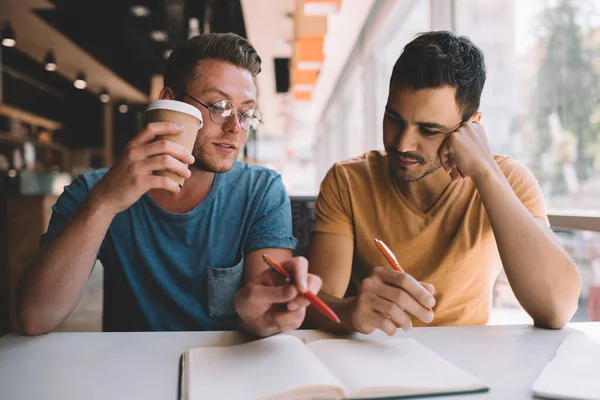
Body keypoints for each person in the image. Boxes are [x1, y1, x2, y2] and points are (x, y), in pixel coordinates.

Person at [16, 33, 321, 337]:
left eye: (246, 113)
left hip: (228, 370)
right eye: (220, 106)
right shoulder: (93, 191)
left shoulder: (260, 190)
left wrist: (266, 313)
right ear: (170, 102)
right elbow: (35, 317)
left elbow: (266, 308)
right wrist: (105, 203)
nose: (235, 127)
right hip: (131, 372)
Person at [306, 31, 581, 335]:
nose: (403, 143)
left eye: (428, 130)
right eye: (394, 118)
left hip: (470, 362)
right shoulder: (347, 180)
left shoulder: (507, 180)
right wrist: (351, 311)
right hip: (375, 355)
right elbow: (315, 302)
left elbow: (557, 309)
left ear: (470, 128)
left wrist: (485, 171)